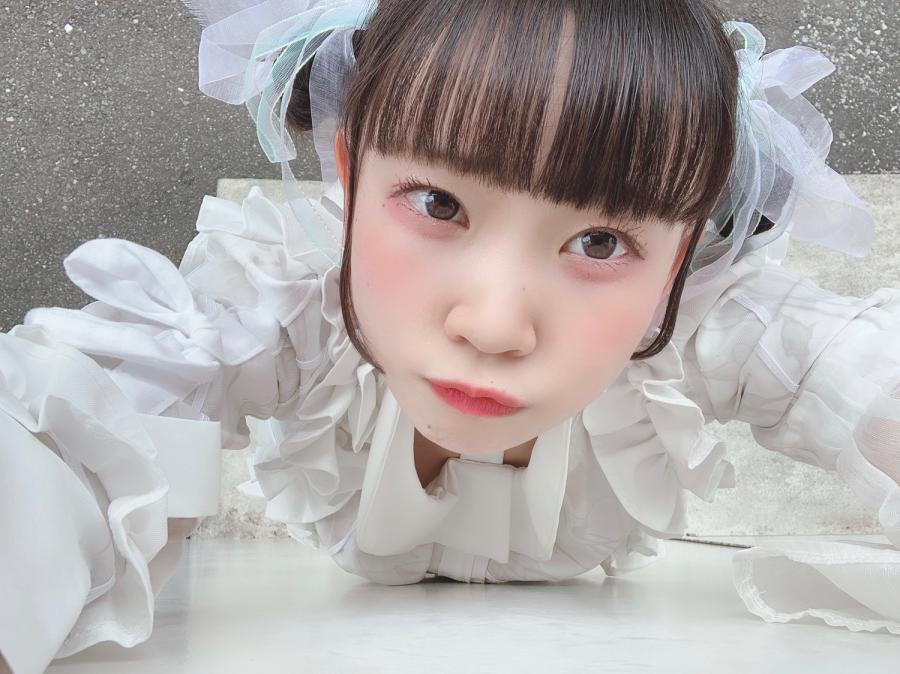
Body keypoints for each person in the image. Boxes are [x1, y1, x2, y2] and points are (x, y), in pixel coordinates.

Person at [2, 0, 899, 671]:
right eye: (438, 204)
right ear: (351, 172)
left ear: (681, 259)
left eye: (600, 243)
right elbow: (79, 422)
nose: (494, 325)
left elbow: (860, 373)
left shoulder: (709, 326)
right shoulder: (284, 302)